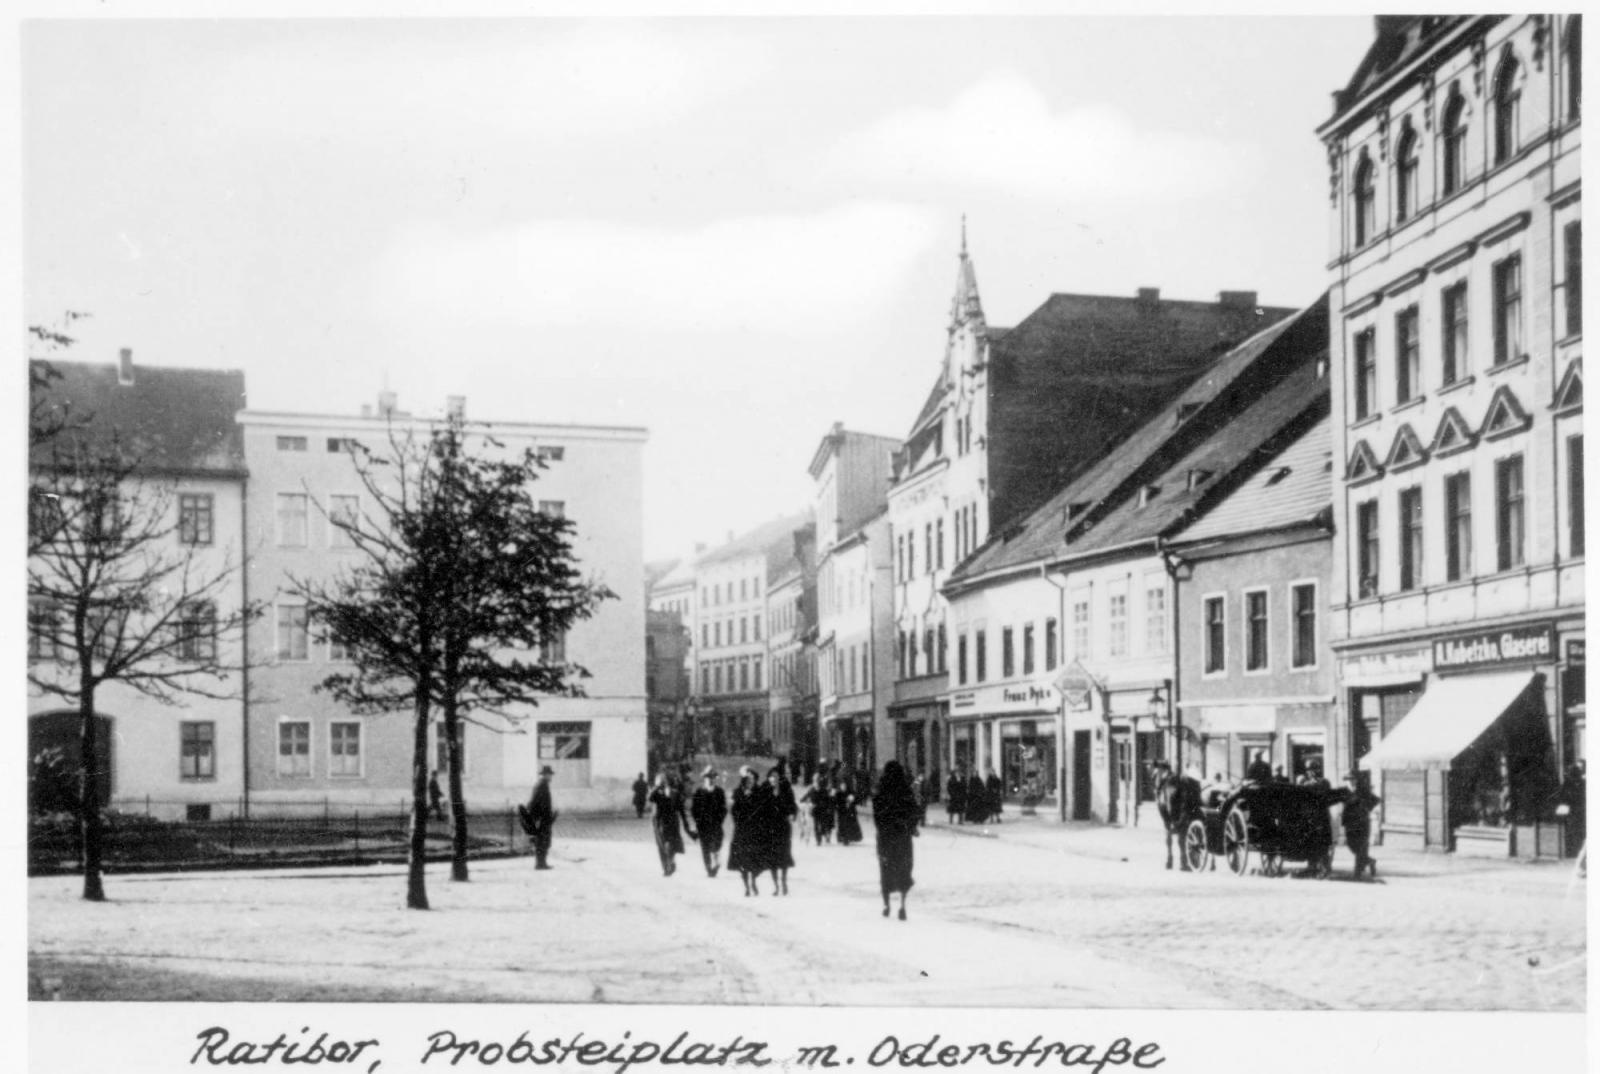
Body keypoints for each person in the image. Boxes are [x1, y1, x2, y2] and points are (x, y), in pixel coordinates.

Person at [874, 760, 920, 921]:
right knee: (903, 869)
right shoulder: (905, 790)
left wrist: (882, 830)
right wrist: (912, 827)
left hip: (886, 838)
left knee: (885, 870)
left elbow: (877, 816)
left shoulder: (881, 791)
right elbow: (914, 811)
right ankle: (902, 905)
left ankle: (886, 904)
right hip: (902, 837)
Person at [755, 766, 796, 895]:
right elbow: (759, 808)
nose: (773, 779)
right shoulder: (765, 791)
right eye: (771, 777)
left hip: (783, 828)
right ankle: (776, 885)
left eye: (776, 777)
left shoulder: (786, 791)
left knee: (784, 856)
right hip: (770, 828)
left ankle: (783, 881)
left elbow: (792, 806)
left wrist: (792, 814)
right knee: (772, 858)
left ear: (780, 778)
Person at [727, 766, 762, 896]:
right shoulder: (737, 793)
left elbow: (762, 809)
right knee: (742, 860)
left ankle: (753, 880)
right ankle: (746, 886)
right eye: (747, 779)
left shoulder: (758, 792)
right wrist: (740, 820)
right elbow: (734, 811)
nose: (750, 781)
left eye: (752, 779)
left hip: (755, 830)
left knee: (754, 859)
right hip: (741, 830)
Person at [1340, 770, 1381, 880]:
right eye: (1349, 780)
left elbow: (1376, 800)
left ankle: (1357, 873)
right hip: (1350, 823)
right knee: (1351, 844)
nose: (1351, 782)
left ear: (1357, 780)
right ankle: (1370, 861)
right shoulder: (1347, 792)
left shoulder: (1362, 791)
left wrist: (1366, 809)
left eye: (1353, 779)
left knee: (1360, 848)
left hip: (1362, 823)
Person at [648, 772, 691, 877]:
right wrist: (657, 787)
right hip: (658, 824)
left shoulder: (675, 794)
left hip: (671, 823)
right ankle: (666, 868)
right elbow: (650, 797)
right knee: (661, 846)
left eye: (665, 783)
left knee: (670, 845)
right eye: (661, 783)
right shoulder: (657, 794)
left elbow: (681, 810)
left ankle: (670, 862)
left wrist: (686, 825)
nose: (664, 785)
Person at [690, 767, 728, 877]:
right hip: (703, 825)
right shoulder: (699, 791)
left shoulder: (719, 792)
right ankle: (709, 868)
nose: (710, 780)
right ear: (704, 779)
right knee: (705, 847)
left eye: (713, 778)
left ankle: (716, 861)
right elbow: (694, 809)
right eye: (708, 778)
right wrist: (697, 821)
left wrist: (719, 820)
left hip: (716, 824)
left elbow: (724, 809)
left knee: (716, 845)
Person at [519, 765, 557, 870]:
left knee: (542, 841)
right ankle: (540, 864)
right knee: (543, 841)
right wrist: (545, 817)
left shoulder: (540, 784)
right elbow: (540, 803)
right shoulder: (542, 785)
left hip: (541, 818)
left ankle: (541, 862)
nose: (551, 777)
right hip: (542, 818)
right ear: (545, 775)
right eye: (549, 775)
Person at [801, 773, 834, 844]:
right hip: (815, 811)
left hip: (823, 810)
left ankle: (826, 835)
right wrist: (803, 801)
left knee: (822, 824)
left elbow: (828, 800)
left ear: (819, 782)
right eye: (814, 781)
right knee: (816, 825)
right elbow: (805, 797)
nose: (816, 783)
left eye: (817, 781)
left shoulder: (823, 790)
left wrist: (826, 806)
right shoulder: (811, 790)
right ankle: (818, 839)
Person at [834, 779, 864, 846]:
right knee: (843, 825)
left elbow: (857, 800)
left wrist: (853, 799)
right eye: (842, 786)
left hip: (850, 812)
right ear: (840, 786)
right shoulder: (838, 793)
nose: (843, 787)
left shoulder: (850, 793)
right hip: (841, 812)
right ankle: (844, 838)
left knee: (849, 825)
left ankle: (848, 838)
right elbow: (836, 803)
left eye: (844, 785)